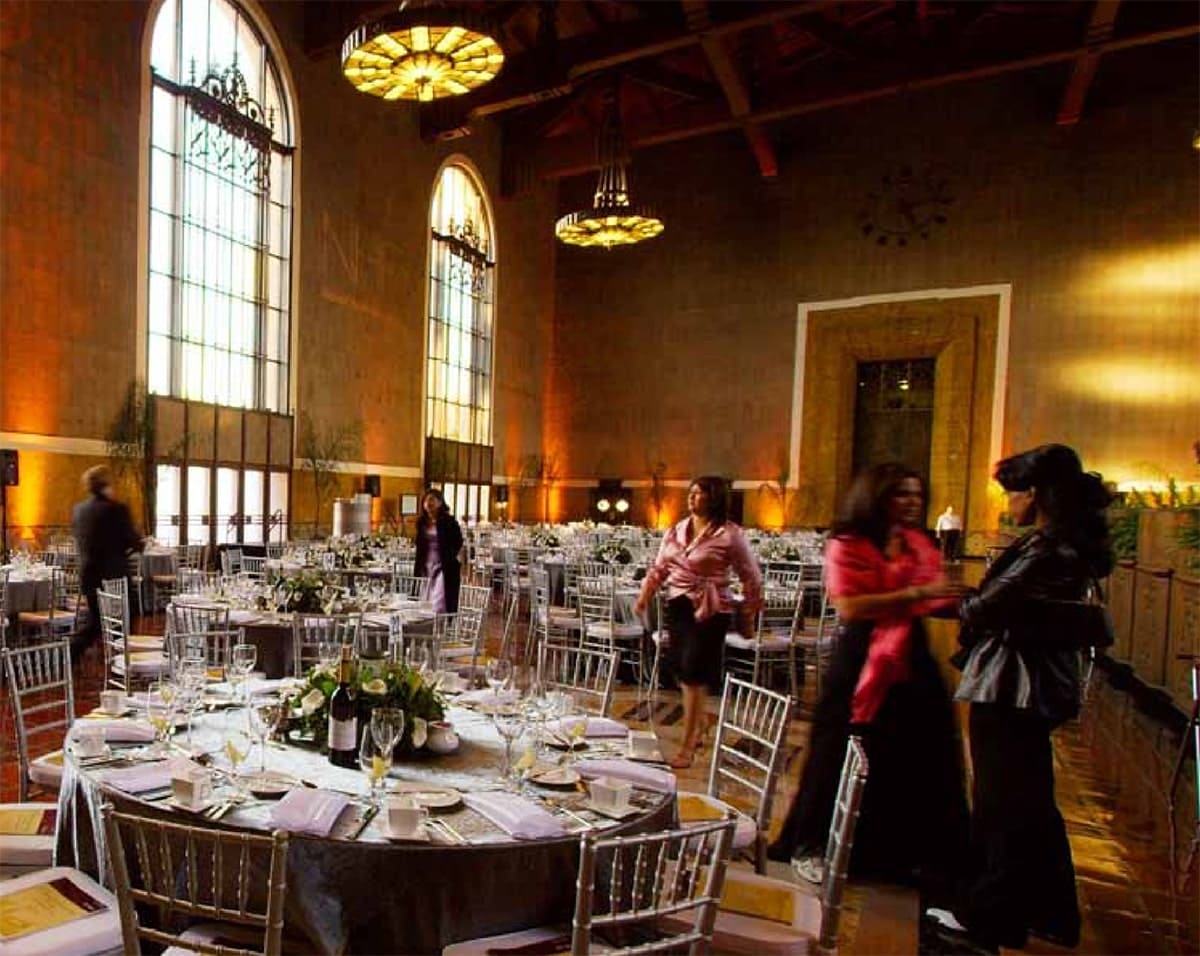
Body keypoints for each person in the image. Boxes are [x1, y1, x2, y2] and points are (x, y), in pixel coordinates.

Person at [924, 444, 1113, 951]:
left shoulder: (1046, 549)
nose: (1007, 504)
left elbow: (984, 607)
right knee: (1033, 802)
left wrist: (922, 598)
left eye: (1011, 494)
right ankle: (1051, 912)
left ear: (1034, 495)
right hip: (1034, 687)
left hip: (1014, 686)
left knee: (1002, 803)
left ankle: (992, 916)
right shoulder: (1064, 545)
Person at [767, 463, 968, 900]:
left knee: (915, 752)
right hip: (860, 655)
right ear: (877, 497)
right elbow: (851, 606)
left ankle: (896, 852)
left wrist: (962, 600)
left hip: (909, 656)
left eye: (917, 493)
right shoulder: (848, 544)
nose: (913, 502)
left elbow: (936, 596)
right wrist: (913, 595)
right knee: (840, 746)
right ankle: (820, 839)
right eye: (901, 494)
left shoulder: (918, 542)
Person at [634, 476, 762, 769]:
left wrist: (750, 611)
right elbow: (659, 568)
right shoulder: (677, 530)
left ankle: (689, 744)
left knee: (694, 673)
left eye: (699, 494)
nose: (692, 498)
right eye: (690, 493)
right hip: (677, 605)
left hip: (711, 609)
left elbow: (750, 575)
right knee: (678, 668)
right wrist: (644, 596)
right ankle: (703, 718)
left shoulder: (730, 534)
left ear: (714, 498)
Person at [71, 465, 143, 663]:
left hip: (88, 575)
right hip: (114, 577)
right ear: (107, 484)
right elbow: (133, 542)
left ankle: (70, 655)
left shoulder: (79, 510)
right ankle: (121, 662)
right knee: (126, 618)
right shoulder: (117, 509)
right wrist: (137, 542)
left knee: (96, 621)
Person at [413, 489, 464, 613]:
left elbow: (458, 541)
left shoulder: (449, 521)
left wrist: (449, 555)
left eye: (432, 500)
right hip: (425, 563)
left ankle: (440, 625)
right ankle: (426, 625)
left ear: (440, 502)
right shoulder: (422, 523)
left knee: (440, 598)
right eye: (426, 500)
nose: (428, 503)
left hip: (444, 564)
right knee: (425, 595)